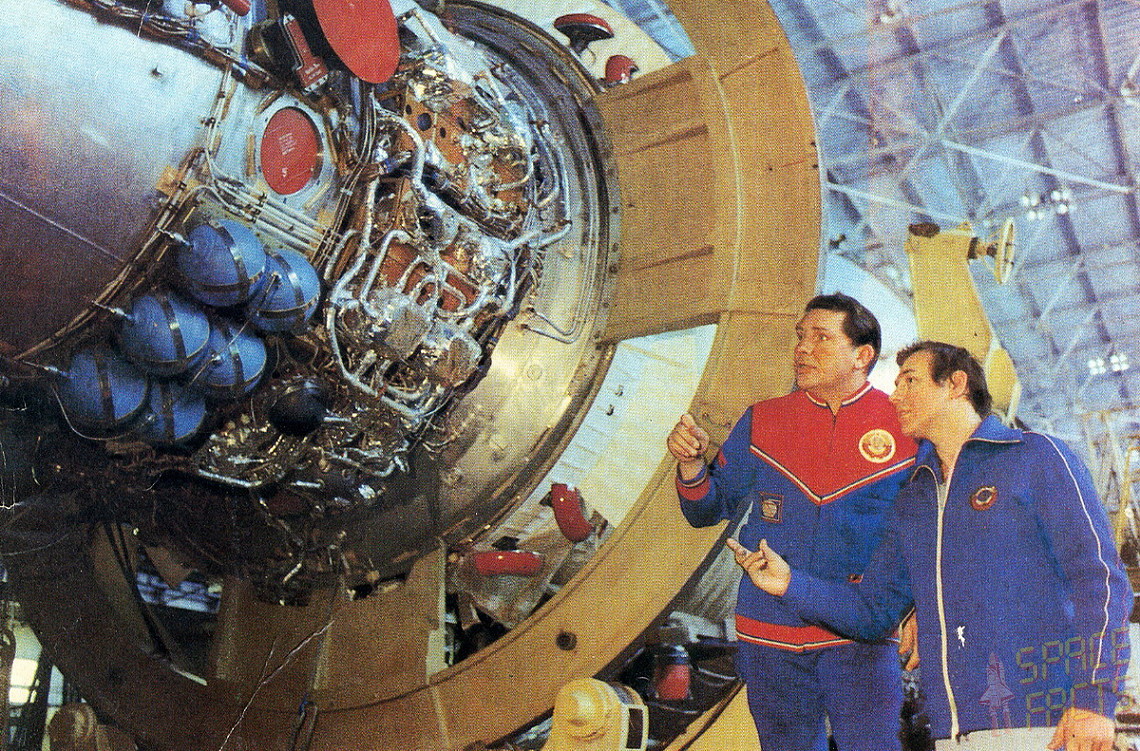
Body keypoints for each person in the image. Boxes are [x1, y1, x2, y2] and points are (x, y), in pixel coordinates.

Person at [729, 341, 1132, 751]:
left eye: (909, 381)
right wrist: (789, 584)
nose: (895, 396)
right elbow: (873, 612)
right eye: (895, 384)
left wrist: (1094, 699)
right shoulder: (914, 500)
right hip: (953, 734)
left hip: (1045, 725)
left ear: (956, 384)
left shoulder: (1035, 457)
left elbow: (1099, 579)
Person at [667, 293, 918, 751]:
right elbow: (706, 511)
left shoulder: (906, 427)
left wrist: (918, 608)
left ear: (863, 356)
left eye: (821, 338)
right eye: (801, 336)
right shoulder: (763, 419)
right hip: (769, 635)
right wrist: (691, 465)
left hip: (860, 635)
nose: (802, 348)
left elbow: (928, 530)